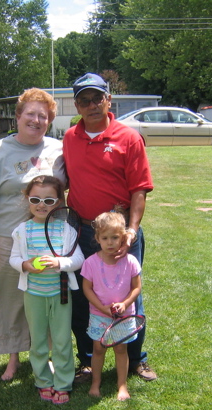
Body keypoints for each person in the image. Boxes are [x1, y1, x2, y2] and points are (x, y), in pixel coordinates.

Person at [0, 88, 66, 381]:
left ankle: (42, 354)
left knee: (45, 300)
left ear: (49, 121)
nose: (36, 120)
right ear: (18, 116)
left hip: (48, 241)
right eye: (30, 114)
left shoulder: (58, 150)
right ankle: (13, 358)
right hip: (9, 240)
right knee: (10, 300)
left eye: (43, 116)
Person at [63, 73, 157, 382]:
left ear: (108, 100)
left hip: (120, 235)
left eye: (96, 99)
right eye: (83, 100)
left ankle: (135, 359)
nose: (91, 105)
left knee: (129, 293)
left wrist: (130, 231)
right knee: (83, 296)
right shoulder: (69, 138)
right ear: (77, 104)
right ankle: (89, 360)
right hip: (82, 233)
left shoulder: (128, 138)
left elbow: (139, 190)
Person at [10, 176, 84, 404]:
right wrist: (25, 265)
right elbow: (14, 258)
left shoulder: (65, 229)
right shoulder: (22, 230)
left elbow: (78, 259)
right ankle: (43, 381)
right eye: (35, 199)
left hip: (60, 295)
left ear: (59, 202)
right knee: (39, 341)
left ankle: (63, 383)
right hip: (33, 294)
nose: (41, 205)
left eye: (49, 200)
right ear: (27, 200)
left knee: (62, 341)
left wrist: (60, 263)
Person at [81, 212, 141, 400]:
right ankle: (95, 382)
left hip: (124, 316)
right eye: (105, 238)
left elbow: (137, 288)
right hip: (99, 315)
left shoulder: (130, 261)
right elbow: (87, 289)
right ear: (97, 238)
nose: (110, 242)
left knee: (121, 349)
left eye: (115, 237)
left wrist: (124, 304)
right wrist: (102, 307)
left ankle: (122, 385)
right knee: (98, 349)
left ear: (123, 237)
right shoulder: (91, 263)